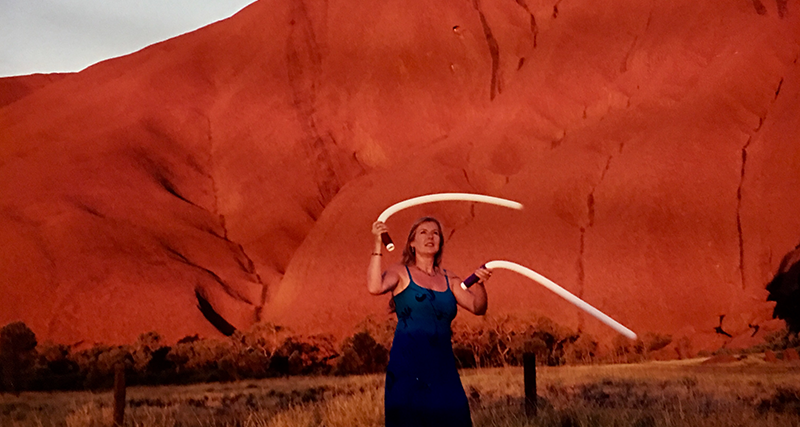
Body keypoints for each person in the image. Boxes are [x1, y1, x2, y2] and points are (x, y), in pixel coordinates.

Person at [368, 216, 492, 427]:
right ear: (412, 243)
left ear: (441, 242)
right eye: (423, 233)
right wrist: (378, 244)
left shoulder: (450, 279)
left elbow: (477, 308)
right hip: (408, 366)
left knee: (454, 417)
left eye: (435, 233)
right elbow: (374, 287)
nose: (430, 237)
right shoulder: (400, 272)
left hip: (442, 366)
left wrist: (479, 285)